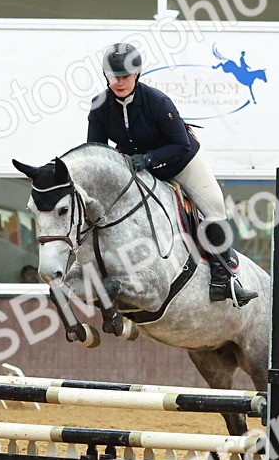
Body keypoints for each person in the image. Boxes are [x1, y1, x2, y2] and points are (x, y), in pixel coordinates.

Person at [87, 42, 257, 306]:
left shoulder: (157, 101)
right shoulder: (100, 106)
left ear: (136, 75)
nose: (119, 82)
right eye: (113, 77)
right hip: (138, 169)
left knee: (214, 209)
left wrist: (147, 158)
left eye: (125, 77)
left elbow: (181, 145)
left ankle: (223, 280)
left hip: (180, 162)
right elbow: (97, 152)